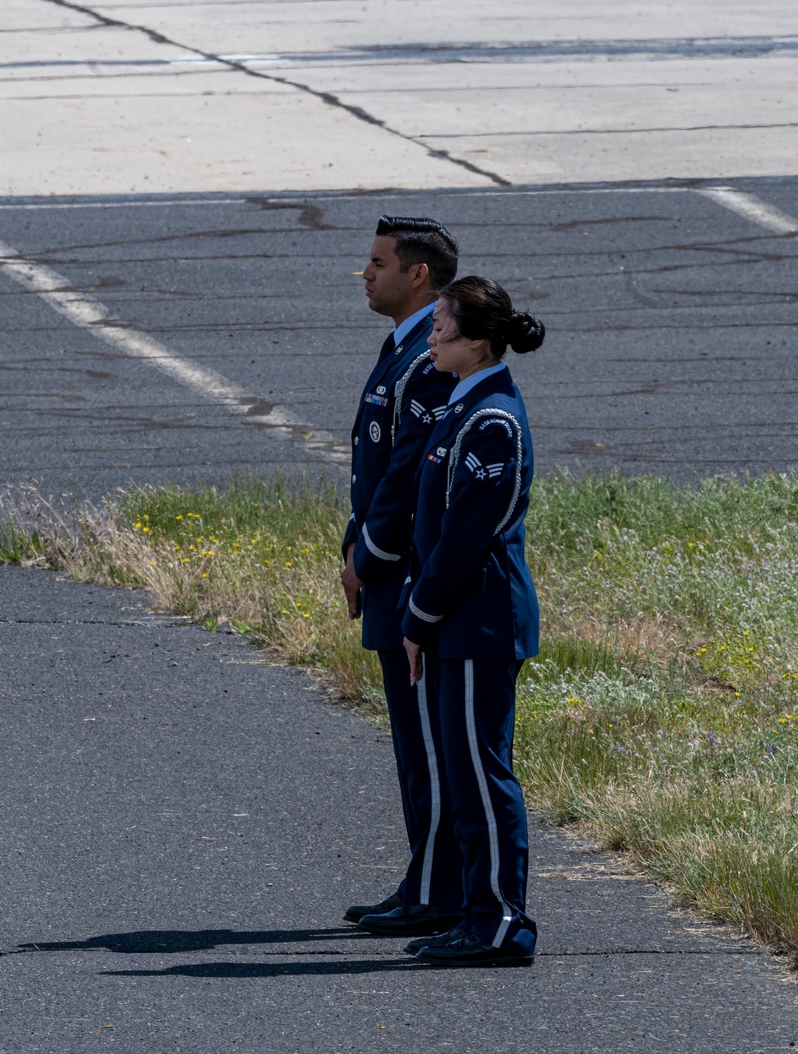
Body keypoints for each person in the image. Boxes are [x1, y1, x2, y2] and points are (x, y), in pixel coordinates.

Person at [399, 275, 545, 967]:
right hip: (458, 621)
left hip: (477, 621)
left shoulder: (491, 422)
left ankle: (500, 924)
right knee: (463, 776)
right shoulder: (461, 410)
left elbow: (464, 538)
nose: (430, 338)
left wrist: (419, 616)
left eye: (441, 328)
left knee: (483, 777)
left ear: (477, 342)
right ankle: (475, 913)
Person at [341, 216, 465, 938]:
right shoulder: (403, 350)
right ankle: (427, 879)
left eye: (378, 261)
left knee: (427, 745)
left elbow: (405, 476)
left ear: (417, 274)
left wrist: (368, 556)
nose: (367, 273)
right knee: (413, 745)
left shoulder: (426, 356)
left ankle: (437, 889)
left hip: (409, 576)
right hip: (390, 571)